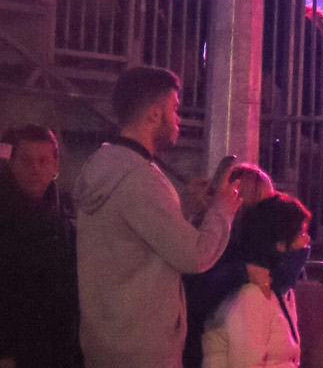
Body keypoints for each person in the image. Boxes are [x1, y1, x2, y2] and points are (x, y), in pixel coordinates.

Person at [75, 65, 238, 368]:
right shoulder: (140, 178)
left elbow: (136, 235)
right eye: (174, 109)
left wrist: (186, 207)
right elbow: (194, 256)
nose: (179, 120)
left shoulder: (103, 164)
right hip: (144, 351)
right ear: (153, 114)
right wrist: (222, 212)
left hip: (107, 343)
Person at [0, 125, 80, 368]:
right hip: (19, 352)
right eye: (26, 161)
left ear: (55, 166)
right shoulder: (5, 221)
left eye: (43, 161)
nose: (35, 169)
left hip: (61, 348)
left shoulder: (64, 217)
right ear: (12, 165)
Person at [200, 193, 310, 368]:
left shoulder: (282, 292)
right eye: (301, 232)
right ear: (280, 243)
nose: (307, 240)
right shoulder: (252, 296)